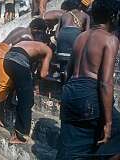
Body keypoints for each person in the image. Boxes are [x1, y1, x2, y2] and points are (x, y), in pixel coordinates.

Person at [56, 0, 120, 159]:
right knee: (116, 131)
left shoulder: (80, 37)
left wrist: (68, 96)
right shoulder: (110, 39)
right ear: (113, 16)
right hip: (89, 95)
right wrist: (108, 123)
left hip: (70, 92)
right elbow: (105, 83)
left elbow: (67, 73)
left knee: (70, 147)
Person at [0, 18, 48, 123]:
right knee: (5, 85)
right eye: (40, 32)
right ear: (35, 29)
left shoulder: (21, 29)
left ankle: (8, 104)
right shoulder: (27, 37)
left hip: (3, 51)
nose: (40, 35)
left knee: (11, 80)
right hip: (3, 53)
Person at [3, 41, 52, 144]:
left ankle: (8, 106)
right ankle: (21, 135)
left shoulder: (32, 44)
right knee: (27, 100)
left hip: (7, 59)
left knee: (19, 90)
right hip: (19, 61)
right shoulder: (48, 50)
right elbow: (43, 74)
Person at [55, 0, 90, 82]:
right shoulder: (85, 16)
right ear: (80, 6)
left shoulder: (64, 15)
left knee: (63, 66)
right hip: (75, 35)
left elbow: (56, 35)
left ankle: (63, 83)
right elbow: (87, 34)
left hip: (62, 36)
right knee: (75, 65)